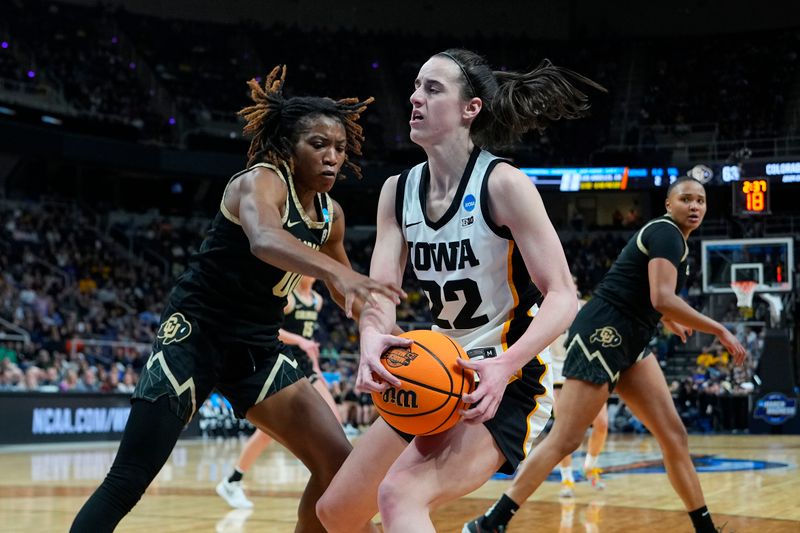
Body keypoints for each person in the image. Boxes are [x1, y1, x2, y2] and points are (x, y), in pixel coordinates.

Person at [70, 65, 405, 533]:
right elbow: (265, 239)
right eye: (319, 145)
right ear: (289, 147)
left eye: (340, 148)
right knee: (127, 479)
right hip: (194, 337)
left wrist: (390, 334)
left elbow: (346, 291)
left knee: (339, 468)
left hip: (256, 349)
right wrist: (337, 272)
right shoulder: (260, 181)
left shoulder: (331, 216)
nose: (332, 157)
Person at [316, 48, 605, 533]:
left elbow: (562, 295)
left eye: (433, 88)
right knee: (337, 512)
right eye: (415, 86)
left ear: (470, 108)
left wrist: (505, 366)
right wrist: (372, 338)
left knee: (399, 494)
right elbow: (382, 293)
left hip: (506, 377)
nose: (415, 97)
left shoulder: (504, 184)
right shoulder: (398, 191)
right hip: (437, 368)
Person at [466, 176, 746, 533]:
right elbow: (661, 296)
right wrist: (718, 328)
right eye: (686, 199)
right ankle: (493, 521)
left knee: (674, 434)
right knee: (566, 438)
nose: (694, 206)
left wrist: (668, 318)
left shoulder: (676, 242)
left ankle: (704, 528)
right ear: (668, 204)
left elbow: (648, 295)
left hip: (631, 340)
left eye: (701, 201)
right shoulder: (666, 233)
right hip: (601, 333)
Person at [216, 276, 343, 509]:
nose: (311, 271)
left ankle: (328, 481)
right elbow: (270, 329)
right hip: (286, 364)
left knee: (336, 423)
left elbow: (310, 339)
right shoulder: (289, 298)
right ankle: (232, 481)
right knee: (266, 434)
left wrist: (316, 367)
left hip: (307, 366)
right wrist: (300, 341)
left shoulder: (317, 301)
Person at [548, 297, 609, 498]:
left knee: (602, 423)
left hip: (588, 367)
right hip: (558, 373)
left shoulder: (587, 307)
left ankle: (590, 467)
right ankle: (567, 478)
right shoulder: (543, 306)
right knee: (564, 430)